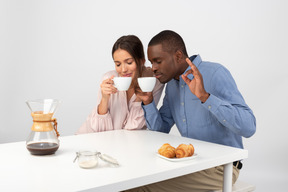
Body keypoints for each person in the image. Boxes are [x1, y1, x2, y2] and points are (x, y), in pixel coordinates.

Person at [129, 30, 256, 192]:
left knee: (138, 186)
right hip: (189, 164)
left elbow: (249, 127)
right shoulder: (172, 86)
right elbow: (160, 130)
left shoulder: (215, 73)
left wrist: (205, 97)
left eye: (158, 61)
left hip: (222, 169)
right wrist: (148, 102)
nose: (153, 68)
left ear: (178, 56)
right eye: (152, 63)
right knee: (132, 175)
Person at [76, 35, 164, 134]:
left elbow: (133, 127)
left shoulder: (153, 82)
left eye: (129, 62)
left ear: (142, 61)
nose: (123, 70)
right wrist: (105, 98)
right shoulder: (109, 79)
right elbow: (99, 130)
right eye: (118, 64)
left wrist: (140, 95)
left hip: (119, 144)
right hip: (87, 138)